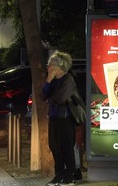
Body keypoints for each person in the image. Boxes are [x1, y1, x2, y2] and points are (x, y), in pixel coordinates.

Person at [42, 51, 81, 184]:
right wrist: (47, 81)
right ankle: (59, 174)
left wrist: (50, 97)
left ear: (59, 67)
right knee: (55, 146)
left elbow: (60, 98)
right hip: (53, 117)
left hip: (66, 118)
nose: (48, 68)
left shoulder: (68, 79)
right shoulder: (52, 81)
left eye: (50, 65)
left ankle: (70, 176)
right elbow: (42, 96)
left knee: (66, 147)